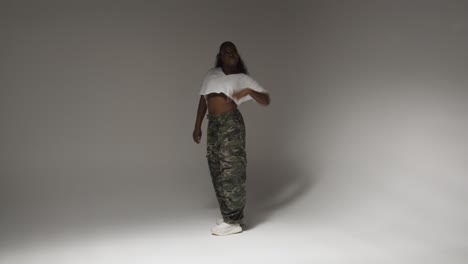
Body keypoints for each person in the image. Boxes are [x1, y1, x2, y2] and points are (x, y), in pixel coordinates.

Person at [193, 41, 270, 236]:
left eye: (233, 50)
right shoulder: (212, 74)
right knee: (216, 166)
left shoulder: (242, 78)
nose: (230, 53)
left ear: (238, 55)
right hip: (213, 124)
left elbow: (265, 99)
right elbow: (203, 100)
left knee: (232, 168)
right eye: (225, 51)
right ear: (220, 55)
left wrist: (248, 91)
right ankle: (233, 215)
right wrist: (197, 126)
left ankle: (232, 221)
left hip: (231, 124)